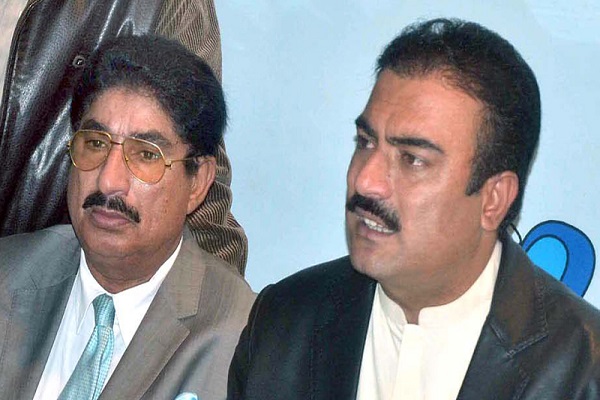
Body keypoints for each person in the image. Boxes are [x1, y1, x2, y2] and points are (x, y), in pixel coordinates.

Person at [228, 18, 600, 400]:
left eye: (413, 159)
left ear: (494, 199)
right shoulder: (283, 323)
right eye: (365, 142)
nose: (365, 180)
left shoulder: (584, 372)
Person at [0, 35, 255, 400]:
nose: (108, 180)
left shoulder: (243, 340)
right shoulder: (8, 274)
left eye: (146, 155)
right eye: (96, 143)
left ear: (198, 182)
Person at [0, 0, 248, 275]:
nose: (109, 181)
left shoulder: (169, 5)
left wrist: (215, 297)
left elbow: (194, 184)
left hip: (53, 286)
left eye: (146, 154)